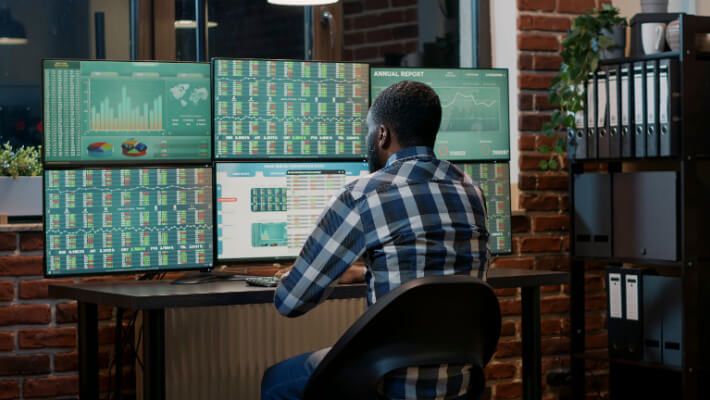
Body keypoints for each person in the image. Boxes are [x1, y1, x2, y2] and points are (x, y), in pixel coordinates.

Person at [261, 80, 490, 400]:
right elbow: (431, 275)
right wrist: (368, 271)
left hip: (387, 385)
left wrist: (294, 278)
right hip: (461, 383)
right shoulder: (472, 191)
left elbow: (291, 302)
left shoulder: (363, 193)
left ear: (382, 134)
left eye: (369, 132)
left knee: (276, 381)